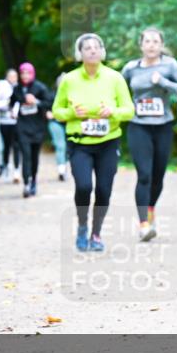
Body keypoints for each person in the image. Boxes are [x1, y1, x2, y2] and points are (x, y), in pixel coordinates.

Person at [52, 33, 134, 252]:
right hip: (79, 143)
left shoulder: (114, 78)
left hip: (108, 142)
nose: (92, 50)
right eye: (87, 47)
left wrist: (112, 112)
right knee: (84, 186)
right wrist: (72, 112)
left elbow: (129, 110)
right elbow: (56, 112)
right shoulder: (69, 80)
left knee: (104, 190)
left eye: (96, 46)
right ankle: (81, 225)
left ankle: (96, 233)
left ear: (102, 51)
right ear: (80, 53)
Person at [121, 28, 177, 242]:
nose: (151, 45)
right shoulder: (130, 68)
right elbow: (118, 92)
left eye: (155, 41)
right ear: (141, 45)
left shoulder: (170, 65)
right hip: (138, 126)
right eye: (147, 41)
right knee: (144, 174)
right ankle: (144, 224)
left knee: (158, 176)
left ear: (161, 44)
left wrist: (163, 82)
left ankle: (150, 209)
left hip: (163, 125)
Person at [12, 62, 51, 198]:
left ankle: (33, 180)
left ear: (32, 73)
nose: (25, 76)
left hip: (38, 128)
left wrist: (36, 102)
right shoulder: (16, 89)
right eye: (22, 73)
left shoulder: (40, 87)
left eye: (28, 73)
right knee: (26, 155)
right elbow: (12, 103)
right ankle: (26, 184)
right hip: (22, 128)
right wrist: (14, 109)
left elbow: (49, 103)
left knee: (34, 157)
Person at [0, 69, 21, 182]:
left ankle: (17, 171)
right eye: (11, 76)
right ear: (7, 77)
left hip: (17, 122)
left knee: (17, 146)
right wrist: (6, 104)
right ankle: (6, 167)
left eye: (15, 76)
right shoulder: (1, 87)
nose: (13, 78)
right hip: (4, 122)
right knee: (6, 147)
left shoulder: (19, 87)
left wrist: (17, 112)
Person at [47, 73, 69, 181]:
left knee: (70, 147)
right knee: (60, 146)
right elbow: (45, 107)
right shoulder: (52, 95)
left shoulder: (75, 95)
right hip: (55, 123)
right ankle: (61, 170)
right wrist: (48, 113)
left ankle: (66, 167)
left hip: (71, 124)